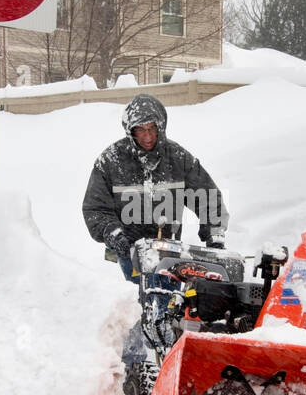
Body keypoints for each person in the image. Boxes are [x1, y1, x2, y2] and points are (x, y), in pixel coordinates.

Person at [81, 93, 228, 282]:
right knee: (137, 297)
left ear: (161, 127)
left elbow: (207, 197)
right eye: (141, 130)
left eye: (152, 128)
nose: (148, 136)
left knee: (168, 303)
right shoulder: (110, 161)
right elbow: (95, 208)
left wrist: (214, 234)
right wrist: (113, 234)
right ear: (130, 130)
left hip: (169, 252)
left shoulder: (178, 158)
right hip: (129, 252)